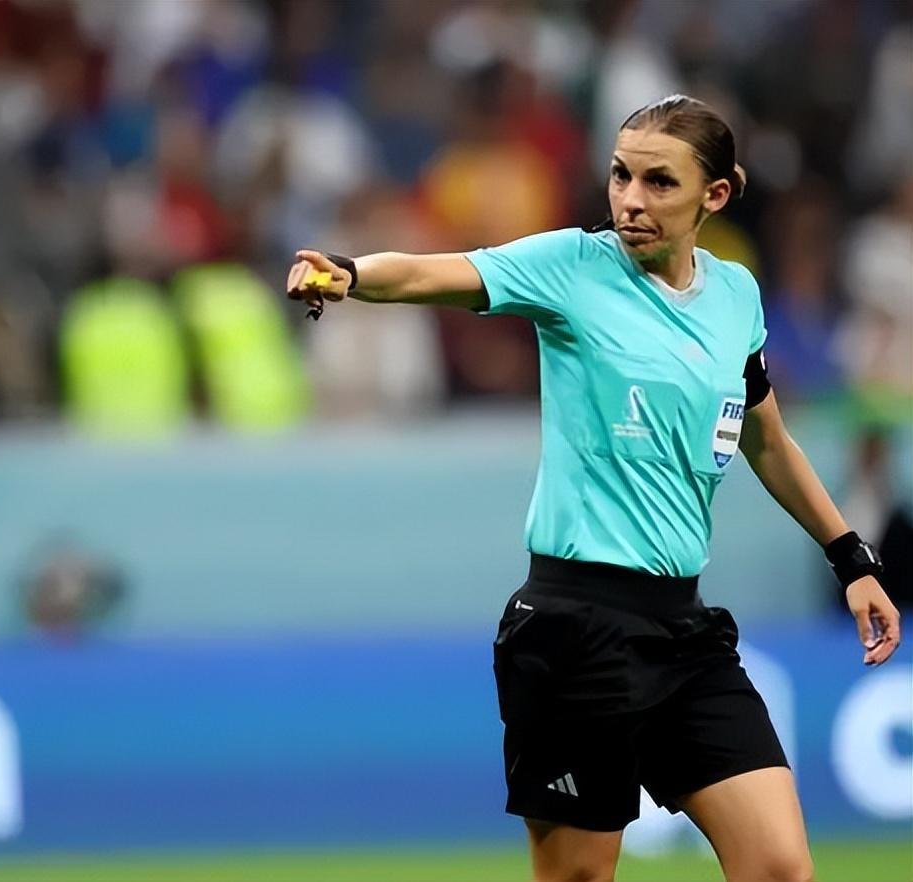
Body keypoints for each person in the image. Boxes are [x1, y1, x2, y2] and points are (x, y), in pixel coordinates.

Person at [286, 95, 900, 882]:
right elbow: (435, 271)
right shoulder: (572, 268)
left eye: (659, 182)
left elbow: (766, 438)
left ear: (714, 195)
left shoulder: (736, 297)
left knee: (780, 868)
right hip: (573, 632)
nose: (631, 200)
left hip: (685, 633)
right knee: (579, 877)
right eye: (620, 176)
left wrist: (850, 557)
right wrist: (349, 273)